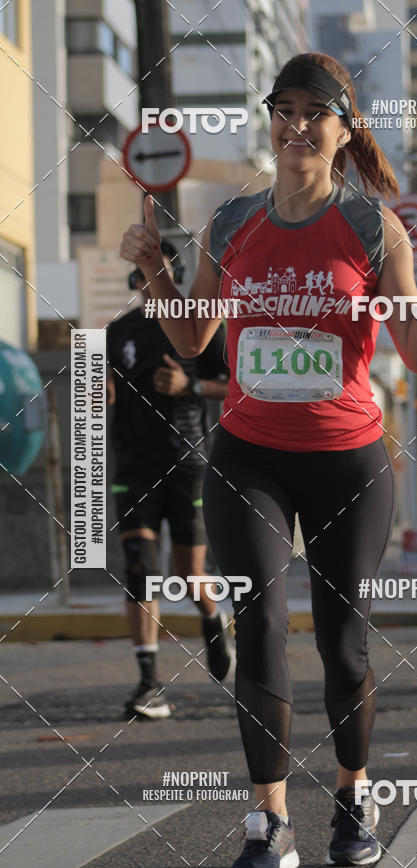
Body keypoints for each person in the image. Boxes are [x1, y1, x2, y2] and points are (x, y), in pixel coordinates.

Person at [120, 52, 417, 868]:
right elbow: (191, 338)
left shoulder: (372, 227)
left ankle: (353, 797)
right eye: (284, 109)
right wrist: (155, 269)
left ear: (345, 130)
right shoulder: (232, 221)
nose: (297, 125)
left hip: (348, 460)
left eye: (316, 112)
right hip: (249, 456)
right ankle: (269, 818)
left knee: (344, 645)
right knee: (260, 626)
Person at [106, 241, 232, 720]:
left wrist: (189, 386)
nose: (146, 281)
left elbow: (235, 384)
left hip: (187, 462)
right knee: (139, 566)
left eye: (155, 271)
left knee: (188, 574)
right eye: (140, 273)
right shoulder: (120, 331)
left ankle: (213, 619)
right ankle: (149, 683)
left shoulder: (200, 326)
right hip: (133, 466)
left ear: (173, 275)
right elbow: (103, 384)